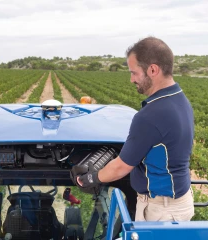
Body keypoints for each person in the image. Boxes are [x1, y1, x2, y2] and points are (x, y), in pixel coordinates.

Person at [71, 37, 194, 221]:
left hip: (162, 211)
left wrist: (90, 179)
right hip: (177, 203)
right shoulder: (179, 100)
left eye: (134, 72)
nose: (131, 79)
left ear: (153, 70)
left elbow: (121, 167)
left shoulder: (151, 115)